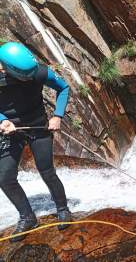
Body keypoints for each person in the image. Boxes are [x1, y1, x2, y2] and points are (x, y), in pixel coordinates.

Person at [0, 42, 72, 242]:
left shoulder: (38, 71)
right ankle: (27, 217)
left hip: (38, 127)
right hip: (10, 132)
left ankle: (63, 209)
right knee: (5, 178)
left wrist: (57, 116)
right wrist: (2, 120)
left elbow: (63, 88)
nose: (31, 77)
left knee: (47, 171)